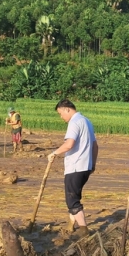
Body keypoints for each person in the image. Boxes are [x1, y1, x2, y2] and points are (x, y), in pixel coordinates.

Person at [47, 100, 98, 238]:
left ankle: (84, 229)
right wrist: (92, 164)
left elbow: (69, 144)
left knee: (72, 201)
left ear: (67, 109)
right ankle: (70, 224)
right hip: (85, 167)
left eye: (61, 113)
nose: (61, 117)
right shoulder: (87, 121)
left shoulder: (74, 122)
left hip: (75, 167)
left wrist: (54, 153)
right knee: (74, 195)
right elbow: (95, 146)